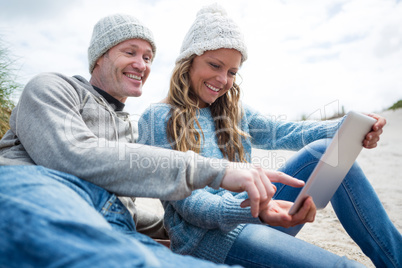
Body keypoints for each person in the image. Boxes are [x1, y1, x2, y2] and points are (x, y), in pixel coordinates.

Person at [0, 13, 299, 268]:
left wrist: (179, 229)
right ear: (100, 57)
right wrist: (217, 171)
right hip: (40, 190)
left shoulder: (127, 130)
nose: (142, 65)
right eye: (130, 53)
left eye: (147, 58)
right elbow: (73, 155)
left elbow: (119, 208)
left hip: (112, 225)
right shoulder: (52, 87)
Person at [138, 4, 402, 268]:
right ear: (189, 60)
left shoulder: (229, 110)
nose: (222, 79)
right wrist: (258, 211)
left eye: (232, 72)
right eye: (214, 65)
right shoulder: (158, 118)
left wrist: (346, 127)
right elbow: (191, 206)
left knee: (327, 151)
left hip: (252, 215)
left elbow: (282, 133)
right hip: (209, 241)